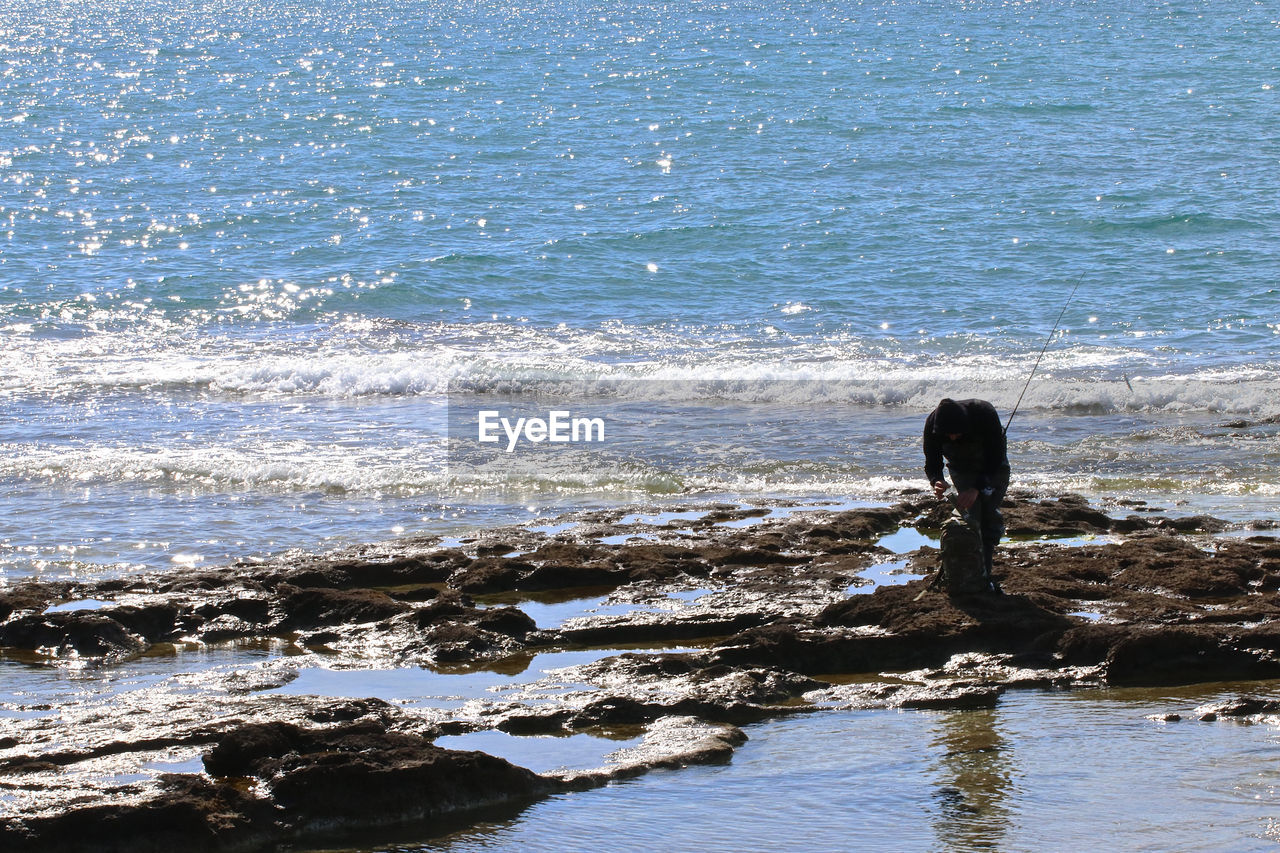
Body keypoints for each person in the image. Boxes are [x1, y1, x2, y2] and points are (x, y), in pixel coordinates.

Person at [923, 398, 1010, 584]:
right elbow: (932, 463)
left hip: (992, 466)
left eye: (956, 433)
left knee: (987, 514)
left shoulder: (984, 414)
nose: (952, 438)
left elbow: (995, 458)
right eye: (948, 435)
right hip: (960, 467)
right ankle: (962, 573)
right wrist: (937, 481)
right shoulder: (933, 424)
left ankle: (984, 575)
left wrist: (976, 488)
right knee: (972, 516)